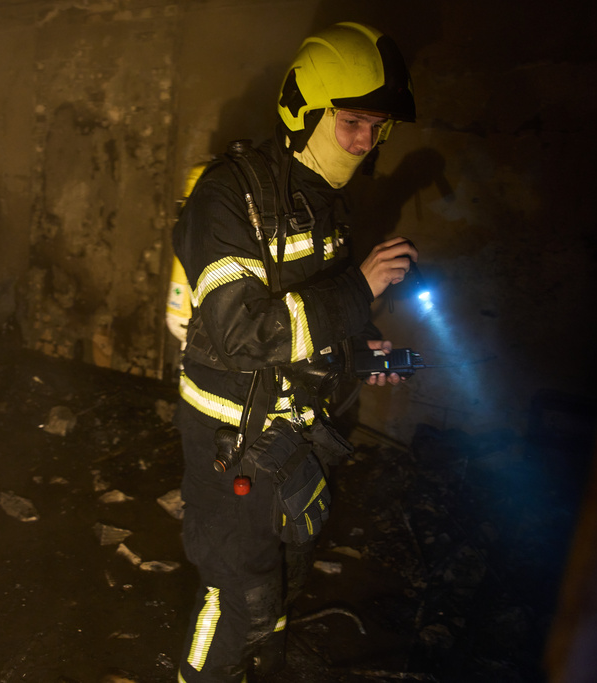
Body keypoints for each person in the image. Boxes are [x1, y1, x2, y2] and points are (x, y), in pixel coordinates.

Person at [171, 22, 419, 682]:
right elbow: (240, 332)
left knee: (286, 573)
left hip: (298, 435)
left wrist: (364, 352)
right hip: (233, 436)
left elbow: (316, 313)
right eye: (352, 123)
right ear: (304, 110)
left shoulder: (324, 200)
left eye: (377, 128)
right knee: (240, 596)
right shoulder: (229, 196)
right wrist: (360, 288)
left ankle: (266, 667)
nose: (365, 143)